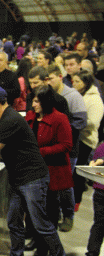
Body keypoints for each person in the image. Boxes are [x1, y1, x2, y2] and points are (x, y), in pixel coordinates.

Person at [0, 85, 67, 256]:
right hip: (19, 177)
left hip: (32, 178)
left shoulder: (10, 120)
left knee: (41, 224)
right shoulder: (5, 118)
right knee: (14, 222)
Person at [25, 86, 73, 256]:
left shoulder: (60, 119)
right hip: (33, 171)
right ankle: (36, 240)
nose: (33, 104)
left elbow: (67, 144)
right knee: (33, 210)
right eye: (33, 100)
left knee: (49, 211)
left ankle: (45, 246)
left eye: (37, 101)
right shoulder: (31, 116)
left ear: (46, 101)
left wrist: (42, 151)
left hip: (52, 171)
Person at [47, 64, 88, 232]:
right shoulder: (48, 95)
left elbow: (81, 122)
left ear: (60, 77)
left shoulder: (73, 96)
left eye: (50, 78)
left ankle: (68, 216)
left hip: (68, 150)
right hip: (52, 149)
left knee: (64, 186)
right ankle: (54, 216)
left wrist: (59, 129)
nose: (48, 82)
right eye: (46, 79)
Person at [72, 69, 104, 211]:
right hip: (76, 136)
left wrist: (77, 119)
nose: (74, 84)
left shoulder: (95, 99)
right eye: (73, 81)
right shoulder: (78, 94)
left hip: (85, 139)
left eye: (77, 81)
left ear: (85, 83)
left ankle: (76, 201)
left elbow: (94, 122)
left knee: (78, 172)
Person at [85, 146, 104, 256]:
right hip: (101, 191)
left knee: (99, 224)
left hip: (100, 190)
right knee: (99, 224)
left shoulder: (102, 146)